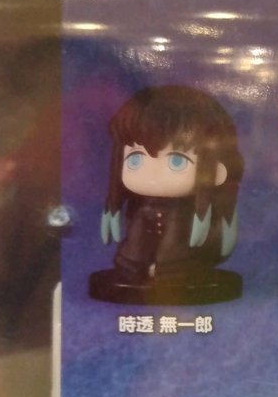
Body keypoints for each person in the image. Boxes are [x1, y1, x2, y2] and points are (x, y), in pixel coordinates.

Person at [90, 84, 244, 304]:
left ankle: (171, 269)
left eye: (177, 161)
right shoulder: (139, 205)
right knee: (138, 235)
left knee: (176, 235)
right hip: (143, 245)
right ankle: (135, 266)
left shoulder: (196, 210)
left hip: (181, 256)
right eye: (136, 158)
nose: (152, 174)